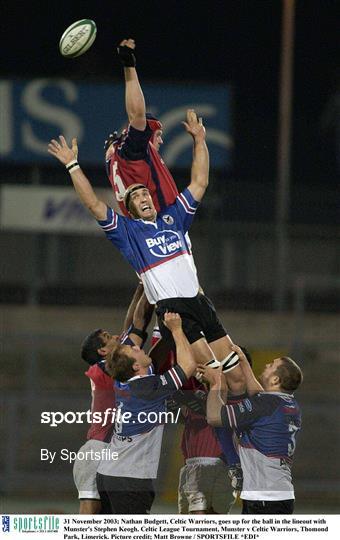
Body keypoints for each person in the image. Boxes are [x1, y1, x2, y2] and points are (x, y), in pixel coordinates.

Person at [47, 111, 245, 396]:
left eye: (145, 194)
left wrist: (200, 141)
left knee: (237, 375)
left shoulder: (173, 217)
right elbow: (92, 204)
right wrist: (72, 165)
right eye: (136, 197)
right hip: (174, 311)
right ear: (131, 208)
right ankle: (225, 429)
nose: (143, 198)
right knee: (216, 377)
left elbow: (199, 182)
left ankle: (256, 418)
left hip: (200, 302)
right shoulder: (128, 232)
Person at [96, 312, 197, 514]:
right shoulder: (149, 387)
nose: (136, 347)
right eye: (133, 350)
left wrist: (166, 335)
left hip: (108, 474)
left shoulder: (123, 380)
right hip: (130, 479)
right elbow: (188, 366)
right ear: (135, 366)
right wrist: (177, 330)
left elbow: (152, 358)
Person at [73, 283, 153, 513]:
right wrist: (151, 283)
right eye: (108, 337)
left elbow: (130, 325)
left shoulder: (109, 365)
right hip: (98, 447)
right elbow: (137, 324)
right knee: (90, 514)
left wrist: (140, 289)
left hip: (111, 452)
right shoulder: (105, 367)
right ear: (102, 351)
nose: (117, 336)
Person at [202, 341, 303, 515]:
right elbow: (259, 395)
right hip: (279, 494)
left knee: (225, 423)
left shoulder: (266, 404)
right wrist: (243, 362)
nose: (266, 365)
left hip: (264, 498)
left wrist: (216, 383)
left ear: (275, 379)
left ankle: (234, 465)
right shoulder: (290, 404)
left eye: (271, 365)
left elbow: (213, 417)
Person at [105, 38, 179, 215]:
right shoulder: (134, 150)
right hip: (159, 228)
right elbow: (137, 115)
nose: (160, 139)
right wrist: (129, 65)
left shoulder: (118, 155)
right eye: (158, 133)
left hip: (144, 230)